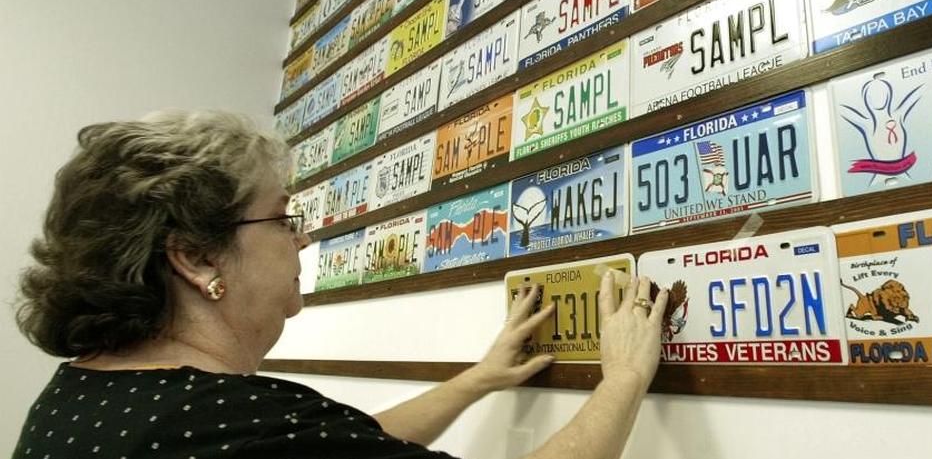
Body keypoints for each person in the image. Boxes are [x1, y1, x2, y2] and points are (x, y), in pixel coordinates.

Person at [13, 110, 669, 458]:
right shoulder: (217, 421)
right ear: (197, 257)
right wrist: (623, 378)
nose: (300, 240)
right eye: (281, 219)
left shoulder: (83, 393)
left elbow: (344, 445)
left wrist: (478, 379)